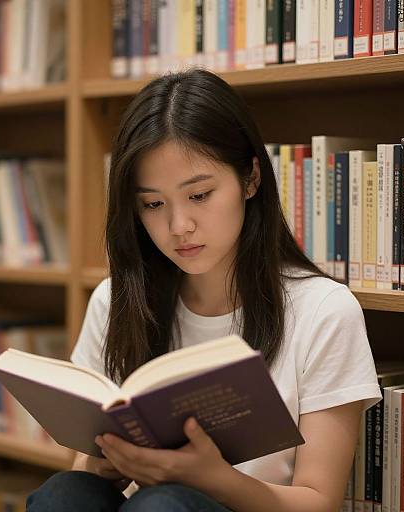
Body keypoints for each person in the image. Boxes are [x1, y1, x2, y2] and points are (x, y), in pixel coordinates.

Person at [26, 68, 382, 512]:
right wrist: (106, 464)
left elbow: (317, 503)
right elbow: (86, 468)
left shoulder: (323, 310)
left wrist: (211, 478)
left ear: (251, 178)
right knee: (65, 492)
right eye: (153, 204)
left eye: (199, 195)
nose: (179, 227)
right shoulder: (116, 299)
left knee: (162, 506)